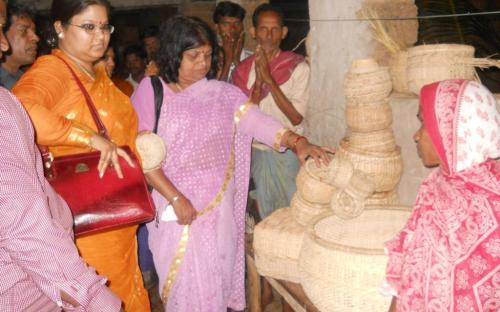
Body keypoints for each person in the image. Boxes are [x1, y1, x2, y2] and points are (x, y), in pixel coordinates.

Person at [131, 16, 330, 311]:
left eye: (208, 55)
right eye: (193, 56)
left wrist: (296, 141)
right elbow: (142, 154)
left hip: (217, 211)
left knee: (216, 282)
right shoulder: (152, 90)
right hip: (176, 209)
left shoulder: (223, 95)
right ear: (173, 54)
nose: (203, 64)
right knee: (186, 286)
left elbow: (256, 121)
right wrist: (176, 198)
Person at [12, 0, 150, 311]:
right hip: (87, 226)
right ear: (59, 28)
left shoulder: (96, 73)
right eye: (88, 27)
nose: (100, 36)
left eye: (104, 27)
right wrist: (86, 137)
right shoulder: (55, 70)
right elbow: (18, 112)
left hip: (118, 214)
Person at [385, 79, 499, 312]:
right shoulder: (438, 185)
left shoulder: (492, 206)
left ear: (454, 130)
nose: (416, 136)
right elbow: (410, 267)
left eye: (425, 124)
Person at [232, 3, 310, 220]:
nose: (269, 35)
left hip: (288, 152)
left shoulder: (297, 68)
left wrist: (269, 81)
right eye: (263, 29)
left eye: (275, 29)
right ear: (253, 32)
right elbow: (244, 116)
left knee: (294, 211)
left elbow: (296, 117)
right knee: (267, 214)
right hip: (256, 150)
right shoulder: (242, 71)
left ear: (284, 32)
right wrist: (258, 82)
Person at [0, 1, 39, 89]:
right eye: (23, 30)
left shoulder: (26, 80)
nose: (36, 38)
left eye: (34, 31)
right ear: (3, 34)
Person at [213, 1, 252, 81]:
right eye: (226, 24)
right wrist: (227, 61)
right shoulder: (209, 57)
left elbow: (249, 89)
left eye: (237, 23)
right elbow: (215, 92)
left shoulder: (251, 58)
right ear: (217, 28)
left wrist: (236, 60)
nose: (232, 29)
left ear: (242, 26)